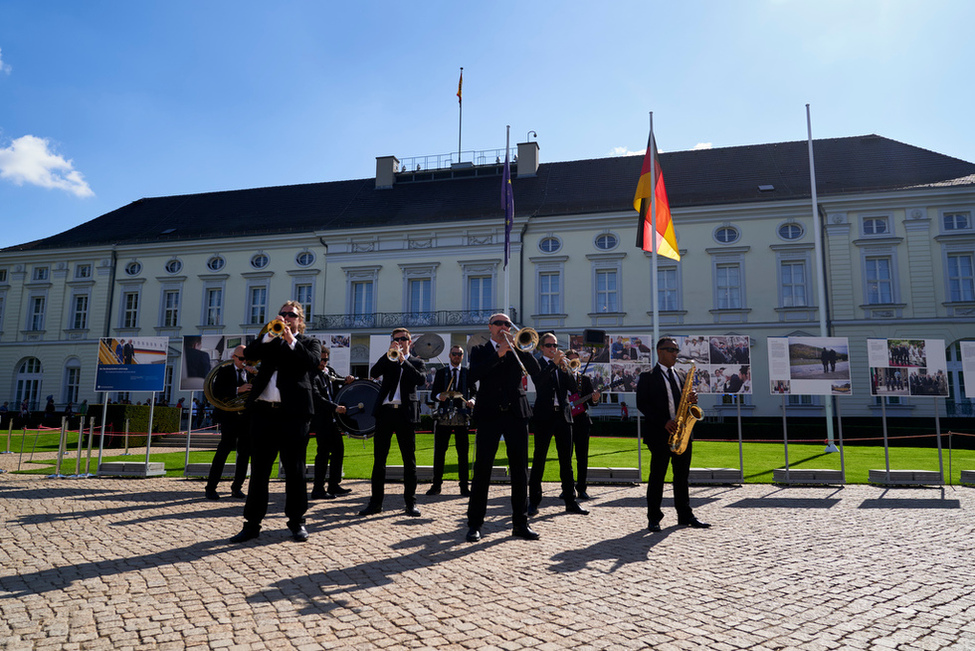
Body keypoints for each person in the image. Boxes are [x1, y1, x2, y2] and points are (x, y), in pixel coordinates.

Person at [229, 301, 321, 544]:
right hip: (263, 413)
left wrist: (292, 341)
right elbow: (248, 355)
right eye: (283, 314)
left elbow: (312, 363)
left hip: (294, 414)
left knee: (295, 470)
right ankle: (252, 524)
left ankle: (297, 522)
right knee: (259, 471)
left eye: (292, 315)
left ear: (300, 320)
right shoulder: (270, 341)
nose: (286, 317)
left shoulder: (309, 343)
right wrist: (270, 335)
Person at [465, 314, 543, 542]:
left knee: (520, 470)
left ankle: (520, 523)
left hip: (516, 414)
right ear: (490, 327)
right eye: (499, 323)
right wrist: (498, 354)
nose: (503, 327)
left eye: (507, 324)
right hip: (489, 413)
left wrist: (518, 349)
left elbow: (536, 370)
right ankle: (475, 524)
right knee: (482, 470)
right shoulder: (480, 350)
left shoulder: (518, 348)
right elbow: (473, 376)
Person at [636, 337, 710, 532]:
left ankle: (684, 514)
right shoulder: (647, 376)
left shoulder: (681, 375)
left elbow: (685, 404)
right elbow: (642, 404)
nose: (676, 354)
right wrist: (664, 421)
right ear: (660, 352)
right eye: (671, 350)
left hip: (682, 433)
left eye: (676, 350)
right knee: (657, 476)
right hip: (660, 434)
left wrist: (692, 400)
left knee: (682, 476)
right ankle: (654, 518)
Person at [359, 328, 426, 517]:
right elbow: (374, 372)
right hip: (385, 413)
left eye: (404, 339)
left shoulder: (416, 361)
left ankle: (410, 503)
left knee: (409, 460)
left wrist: (404, 361)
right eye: (397, 339)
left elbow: (420, 380)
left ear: (410, 342)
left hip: (405, 414)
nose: (401, 342)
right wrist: (388, 354)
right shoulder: (389, 359)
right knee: (379, 460)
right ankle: (375, 503)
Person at [528, 332, 586, 516]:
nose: (553, 348)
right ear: (542, 348)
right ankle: (534, 501)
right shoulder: (538, 363)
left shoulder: (562, 364)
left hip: (563, 415)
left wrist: (564, 369)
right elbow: (539, 382)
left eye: (555, 345)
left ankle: (570, 501)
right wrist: (553, 365)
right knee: (539, 459)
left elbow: (573, 388)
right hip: (544, 416)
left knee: (566, 461)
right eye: (549, 346)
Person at [205, 345, 252, 501]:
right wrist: (239, 389)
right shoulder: (224, 371)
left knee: (244, 455)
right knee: (223, 452)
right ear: (234, 357)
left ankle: (237, 487)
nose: (244, 362)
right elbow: (217, 392)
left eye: (246, 359)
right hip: (229, 418)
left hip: (246, 419)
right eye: (241, 359)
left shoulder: (252, 373)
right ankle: (211, 488)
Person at [427, 345, 475, 496]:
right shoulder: (442, 373)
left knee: (463, 453)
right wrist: (439, 396)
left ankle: (464, 487)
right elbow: (433, 394)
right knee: (440, 452)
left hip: (461, 415)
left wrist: (473, 400)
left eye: (459, 354)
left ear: (462, 356)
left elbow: (474, 392)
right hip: (443, 416)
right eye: (454, 354)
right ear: (449, 355)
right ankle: (436, 485)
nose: (457, 356)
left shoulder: (467, 373)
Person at [310, 347, 354, 499]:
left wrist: (348, 380)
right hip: (321, 420)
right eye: (321, 360)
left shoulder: (329, 371)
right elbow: (316, 398)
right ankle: (318, 489)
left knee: (338, 451)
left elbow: (340, 381)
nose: (324, 363)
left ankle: (334, 485)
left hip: (333, 420)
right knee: (322, 454)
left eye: (326, 360)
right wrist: (335, 408)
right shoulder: (311, 375)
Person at [565, 350, 600, 501]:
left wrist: (596, 398)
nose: (574, 364)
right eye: (571, 360)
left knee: (582, 457)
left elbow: (592, 402)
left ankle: (582, 488)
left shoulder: (584, 379)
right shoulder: (561, 377)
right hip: (566, 421)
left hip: (582, 421)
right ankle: (566, 488)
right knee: (566, 457)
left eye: (576, 361)